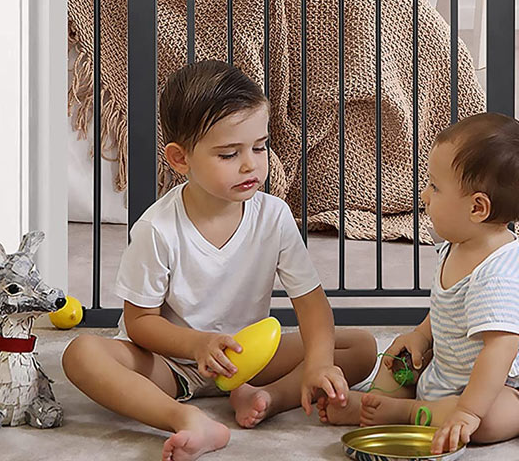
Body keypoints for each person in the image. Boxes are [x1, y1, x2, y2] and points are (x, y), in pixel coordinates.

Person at [62, 59, 376, 461]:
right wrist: (198, 345)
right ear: (180, 159)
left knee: (360, 347)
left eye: (260, 147)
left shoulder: (274, 216)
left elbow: (312, 305)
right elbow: (140, 323)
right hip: (171, 365)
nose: (251, 164)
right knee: (82, 355)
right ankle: (185, 419)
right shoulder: (158, 229)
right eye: (229, 154)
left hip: (247, 360)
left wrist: (317, 365)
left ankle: (267, 398)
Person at [319, 112, 519, 455]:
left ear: (477, 208)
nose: (425, 195)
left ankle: (405, 412)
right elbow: (447, 308)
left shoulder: (498, 274)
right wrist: (420, 336)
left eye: (435, 186)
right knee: (397, 357)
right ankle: (375, 404)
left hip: (502, 384)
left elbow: (500, 350)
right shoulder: (456, 244)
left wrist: (468, 412)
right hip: (449, 370)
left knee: (495, 417)